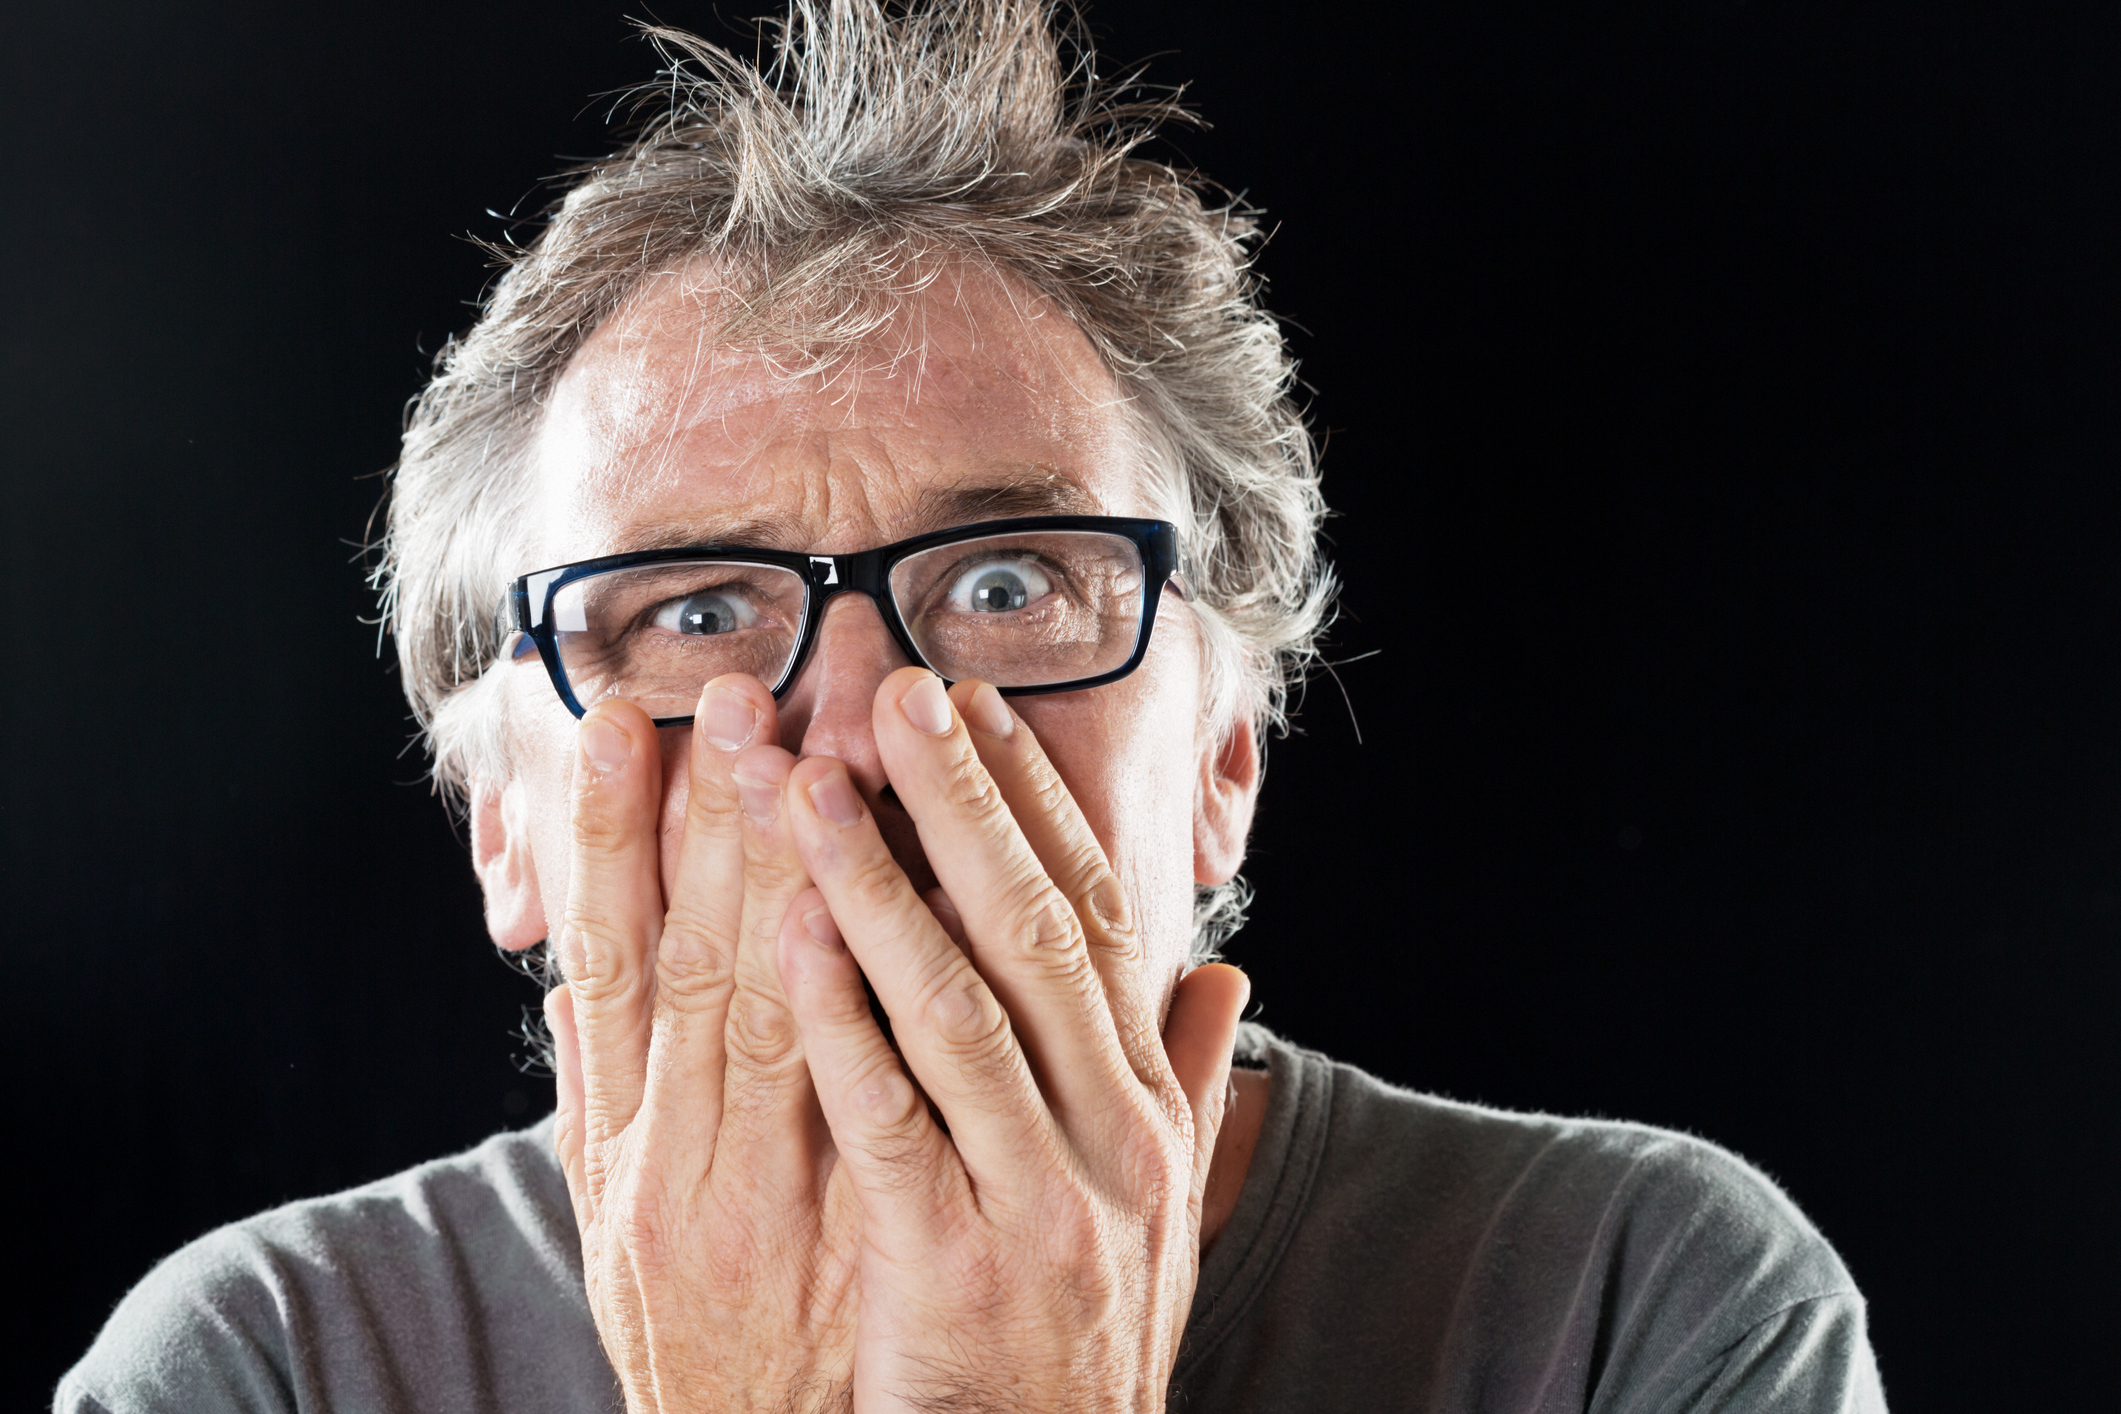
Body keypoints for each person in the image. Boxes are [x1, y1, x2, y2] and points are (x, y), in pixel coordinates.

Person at [58, 2, 1888, 1409]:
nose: (859, 729)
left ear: (1225, 762)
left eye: (1006, 585)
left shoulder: (1635, 1301)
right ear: (504, 826)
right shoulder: (262, 1362)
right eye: (695, 608)